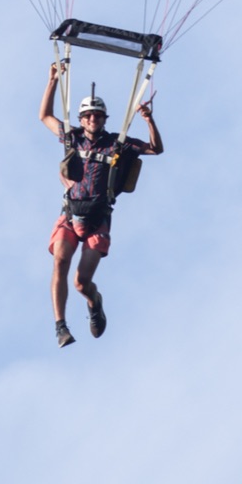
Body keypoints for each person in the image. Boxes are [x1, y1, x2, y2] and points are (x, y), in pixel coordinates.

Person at [39, 63, 164, 347]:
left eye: (97, 115)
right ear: (81, 119)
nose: (92, 119)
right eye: (87, 115)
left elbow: (156, 149)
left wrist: (148, 120)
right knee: (60, 261)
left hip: (98, 220)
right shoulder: (72, 138)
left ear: (104, 118)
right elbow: (45, 116)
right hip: (71, 215)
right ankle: (60, 326)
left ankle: (94, 303)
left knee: (81, 283)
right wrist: (53, 81)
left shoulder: (117, 144)